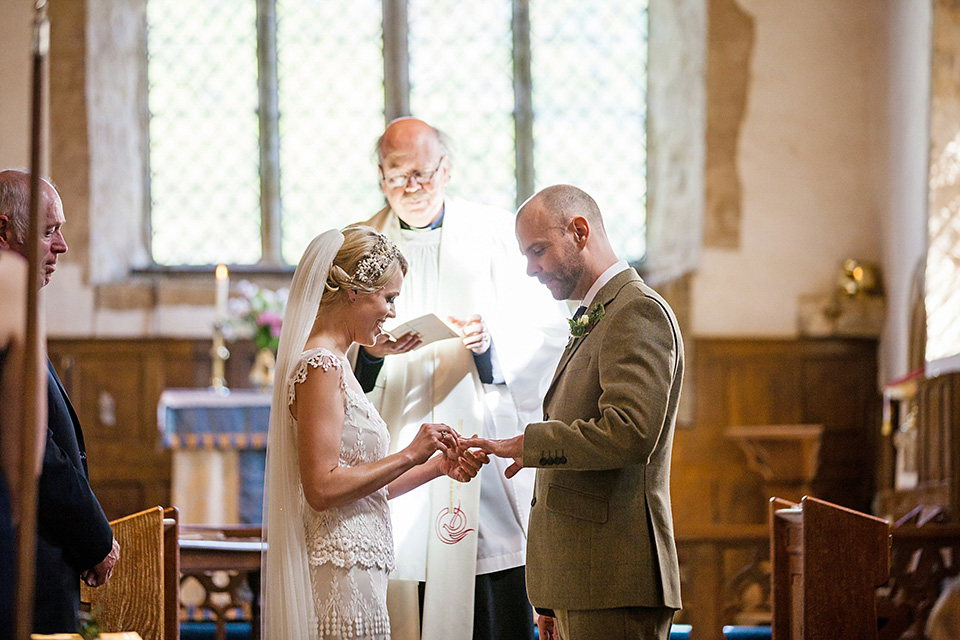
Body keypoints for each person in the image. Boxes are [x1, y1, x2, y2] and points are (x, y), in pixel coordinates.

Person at [353, 118, 567, 640]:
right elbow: (341, 352)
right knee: (404, 567)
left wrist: (490, 342)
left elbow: (547, 330)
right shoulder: (358, 246)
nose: (412, 188)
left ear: (445, 169)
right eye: (397, 176)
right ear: (380, 176)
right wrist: (376, 353)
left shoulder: (494, 233)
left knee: (483, 567)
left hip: (477, 431)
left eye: (422, 174)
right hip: (396, 434)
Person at [463, 185, 684, 640]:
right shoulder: (599, 313)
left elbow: (631, 431)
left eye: (537, 250)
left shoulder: (636, 311)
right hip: (583, 580)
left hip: (614, 580)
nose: (530, 269)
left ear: (579, 231)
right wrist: (552, 598)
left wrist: (533, 444)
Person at [261, 226, 487, 639]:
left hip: (359, 564)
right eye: (389, 298)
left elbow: (361, 486)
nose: (392, 312)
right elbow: (322, 489)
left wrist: (436, 466)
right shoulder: (321, 367)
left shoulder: (338, 363)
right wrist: (409, 452)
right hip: (338, 572)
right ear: (353, 292)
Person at [0, 169, 119, 633]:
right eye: (49, 231)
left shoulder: (20, 304)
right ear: (4, 230)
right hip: (23, 556)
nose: (62, 245)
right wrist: (94, 537)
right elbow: (36, 454)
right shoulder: (7, 303)